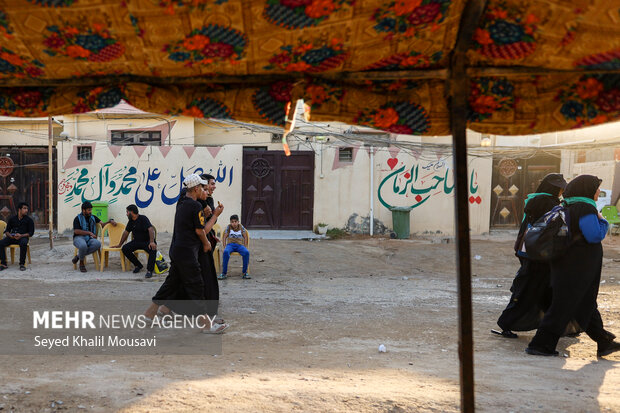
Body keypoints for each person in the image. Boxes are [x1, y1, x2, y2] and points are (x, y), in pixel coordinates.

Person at [526, 175, 620, 357]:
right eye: (597, 189)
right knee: (563, 305)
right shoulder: (585, 208)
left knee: (585, 302)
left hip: (570, 265)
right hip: (577, 267)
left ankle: (604, 342)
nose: (598, 192)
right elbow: (593, 235)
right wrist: (603, 221)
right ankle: (540, 345)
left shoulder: (568, 205)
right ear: (587, 190)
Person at [144, 174, 228, 334]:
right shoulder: (195, 206)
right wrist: (206, 243)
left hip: (177, 250)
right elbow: (200, 231)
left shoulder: (182, 202)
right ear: (196, 189)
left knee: (171, 284)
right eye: (203, 188)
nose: (206, 191)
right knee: (196, 286)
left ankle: (150, 313)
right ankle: (206, 325)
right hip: (187, 253)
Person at [494, 173, 567, 338]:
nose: (562, 192)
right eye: (561, 188)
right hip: (540, 255)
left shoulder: (536, 199)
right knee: (529, 291)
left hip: (531, 252)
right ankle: (506, 323)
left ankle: (555, 326)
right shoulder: (549, 203)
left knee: (544, 290)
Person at [111, 204, 157, 279]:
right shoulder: (131, 221)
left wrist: (152, 242)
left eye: (127, 212)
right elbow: (126, 232)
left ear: (131, 212)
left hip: (147, 241)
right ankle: (138, 265)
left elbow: (151, 229)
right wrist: (120, 244)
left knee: (152, 249)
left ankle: (149, 270)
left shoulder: (143, 218)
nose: (126, 214)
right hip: (136, 241)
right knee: (125, 248)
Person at [72, 201, 116, 272]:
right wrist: (89, 233)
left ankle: (78, 257)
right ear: (83, 210)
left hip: (89, 238)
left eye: (91, 210)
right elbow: (76, 231)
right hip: (79, 238)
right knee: (83, 246)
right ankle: (81, 263)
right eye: (89, 210)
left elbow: (102, 224)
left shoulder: (93, 217)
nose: (90, 211)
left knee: (97, 244)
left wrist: (110, 221)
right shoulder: (77, 218)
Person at [0, 202, 35, 271]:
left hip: (23, 237)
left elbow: (31, 233)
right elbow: (7, 231)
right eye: (24, 208)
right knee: (1, 243)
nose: (26, 210)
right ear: (19, 209)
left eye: (27, 209)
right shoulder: (12, 219)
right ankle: (4, 263)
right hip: (12, 237)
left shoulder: (29, 220)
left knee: (23, 243)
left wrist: (21, 235)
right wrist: (10, 235)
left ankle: (22, 264)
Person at [218, 214, 250, 280]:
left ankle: (244, 273)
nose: (234, 223)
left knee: (246, 252)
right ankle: (224, 273)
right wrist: (224, 247)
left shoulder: (241, 227)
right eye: (232, 222)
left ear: (238, 222)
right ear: (230, 222)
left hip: (239, 245)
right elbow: (224, 237)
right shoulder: (229, 227)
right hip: (230, 245)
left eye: (235, 221)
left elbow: (245, 236)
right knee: (226, 252)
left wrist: (245, 246)